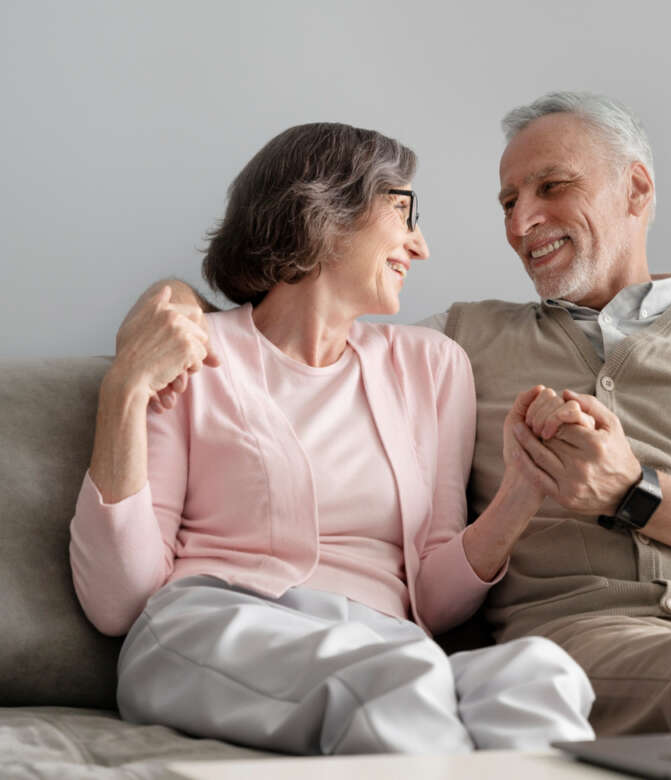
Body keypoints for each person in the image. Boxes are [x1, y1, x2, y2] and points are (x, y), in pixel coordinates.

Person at [128, 92, 671, 737]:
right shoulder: (457, 342)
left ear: (636, 189)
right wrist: (175, 306)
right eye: (507, 201)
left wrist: (632, 490)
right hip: (587, 638)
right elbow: (311, 321)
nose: (522, 222)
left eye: (552, 187)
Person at [68, 122, 595, 756]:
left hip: (386, 644)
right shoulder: (197, 352)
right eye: (405, 212)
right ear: (322, 211)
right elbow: (117, 601)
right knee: (393, 684)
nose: (420, 246)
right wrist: (123, 392)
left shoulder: (431, 366)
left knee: (540, 677)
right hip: (211, 625)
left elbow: (431, 595)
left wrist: (524, 488)